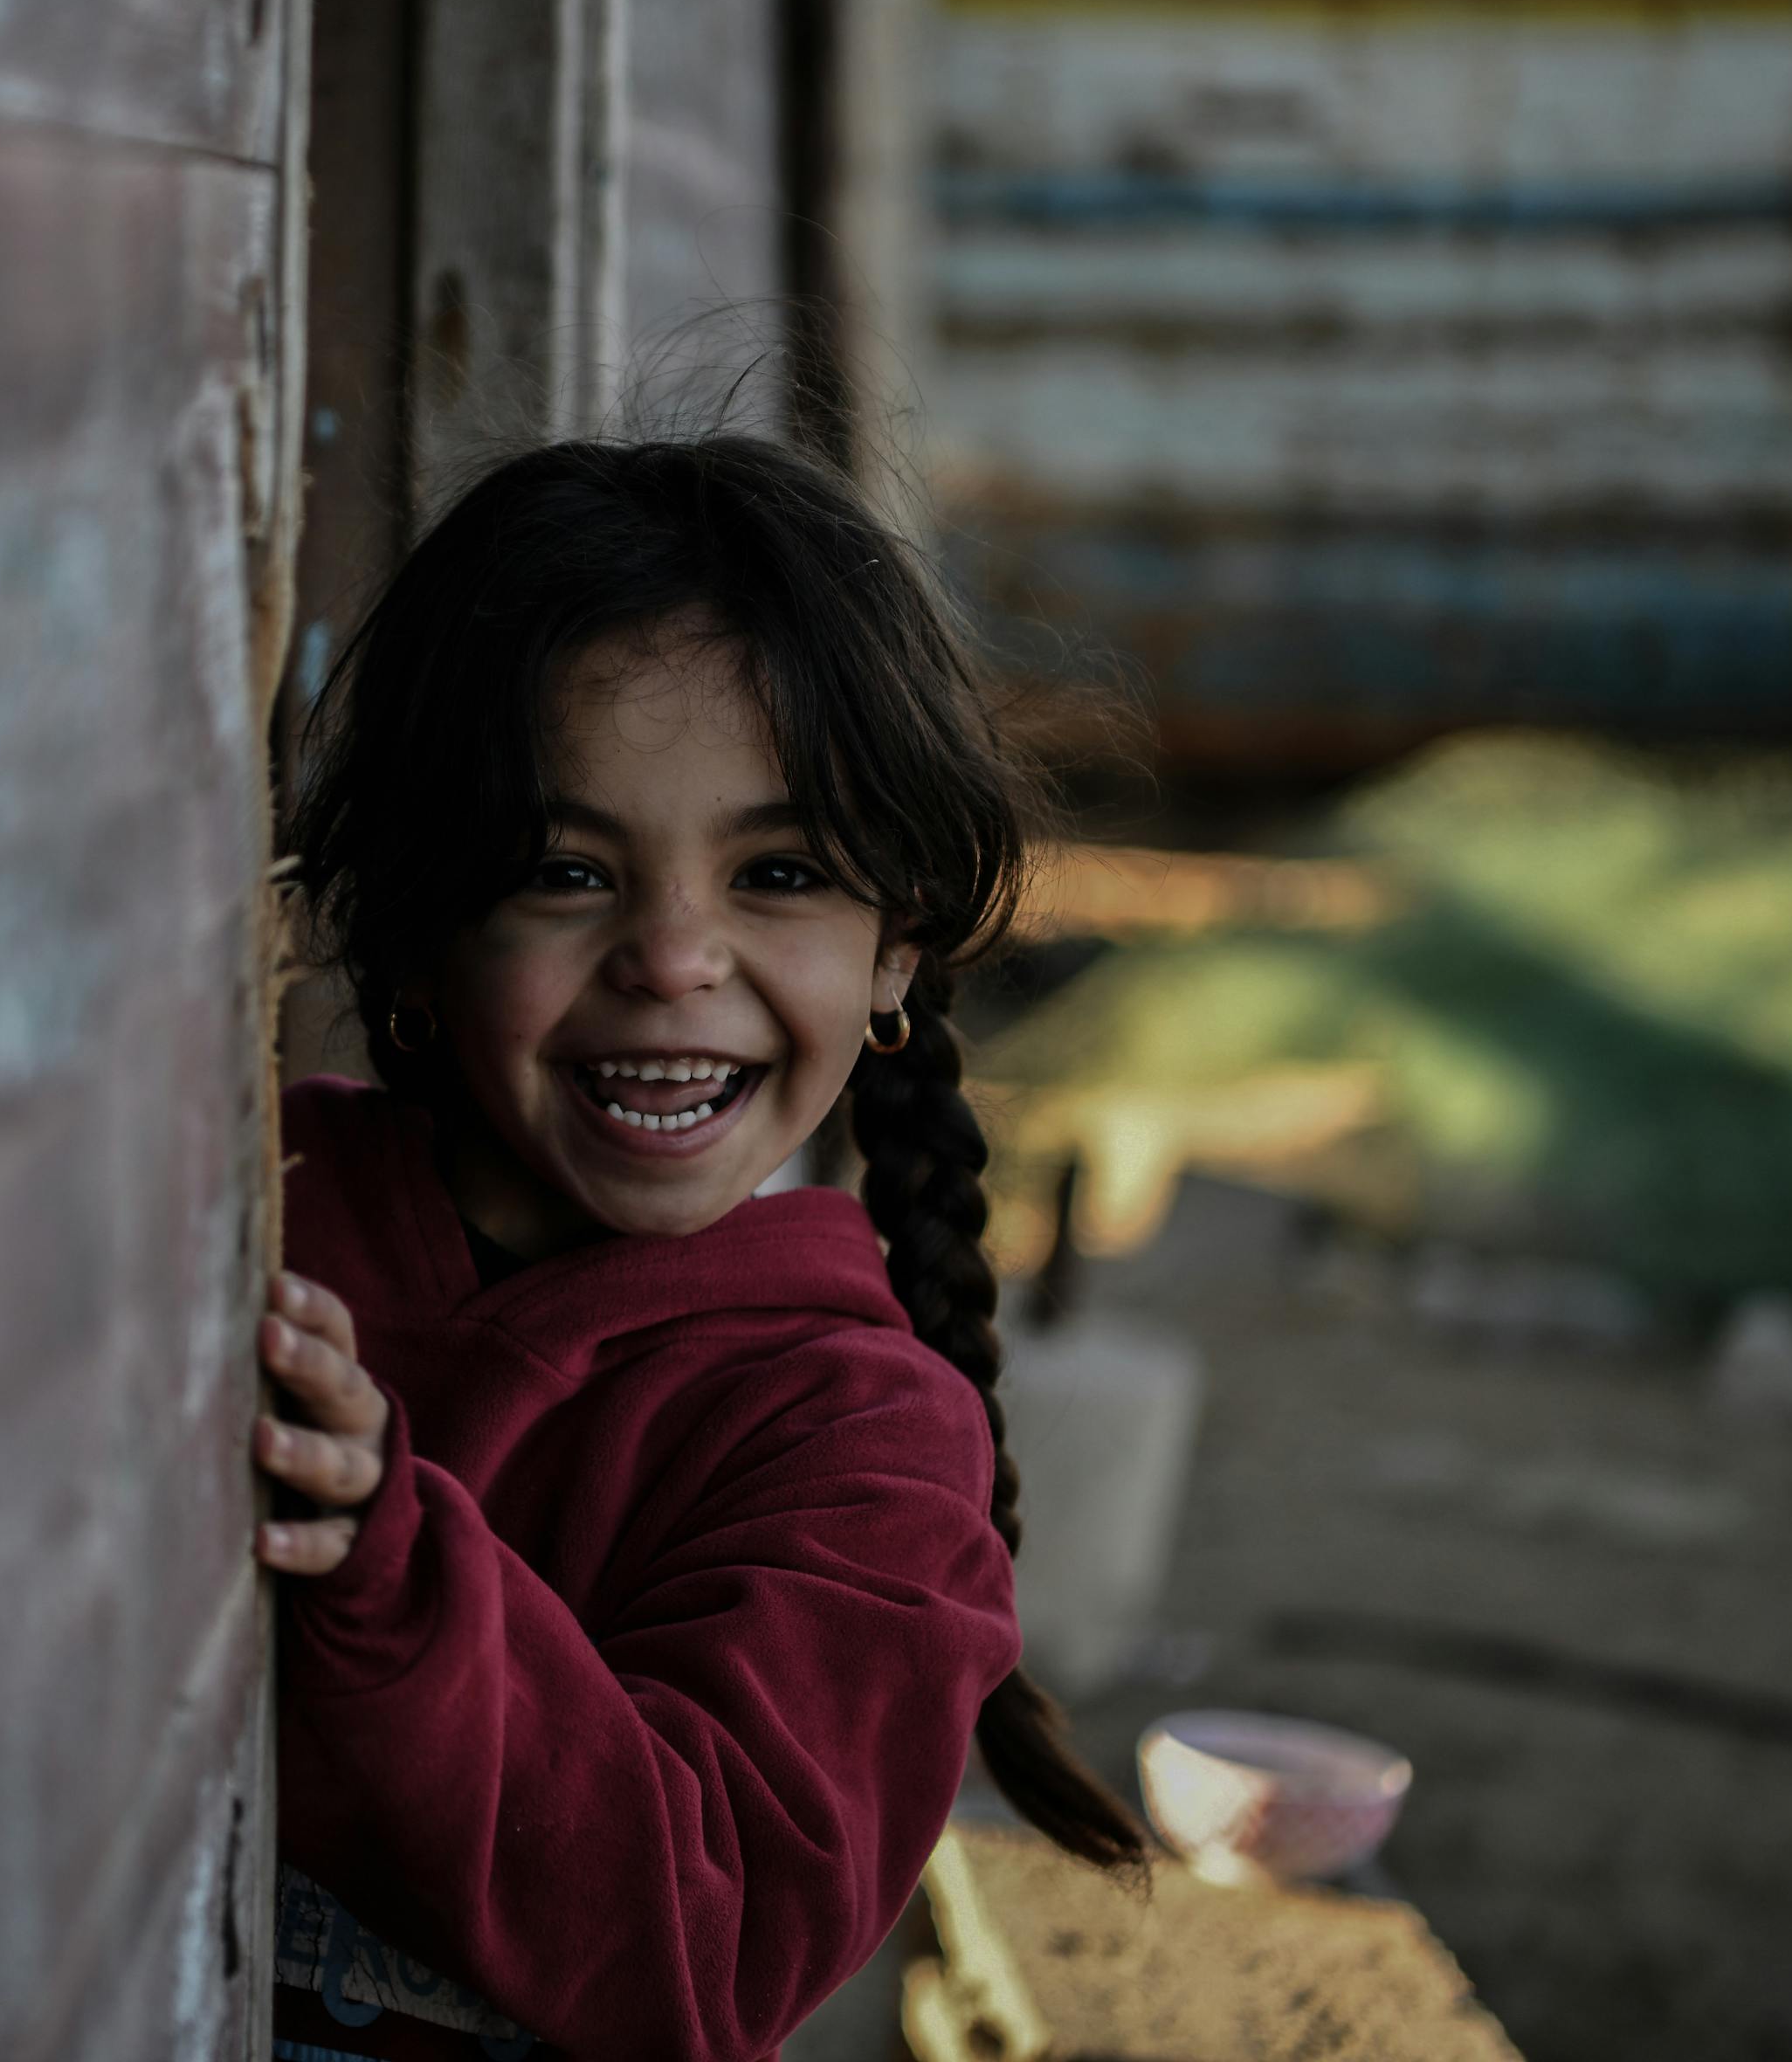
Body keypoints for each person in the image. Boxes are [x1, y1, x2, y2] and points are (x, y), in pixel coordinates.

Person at [251, 436, 1146, 2062]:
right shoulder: (252, 1218)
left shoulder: (861, 1443)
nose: (672, 958)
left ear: (898, 955)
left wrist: (391, 1582)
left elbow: (705, 1952)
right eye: (562, 871)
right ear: (423, 937)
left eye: (781, 874)